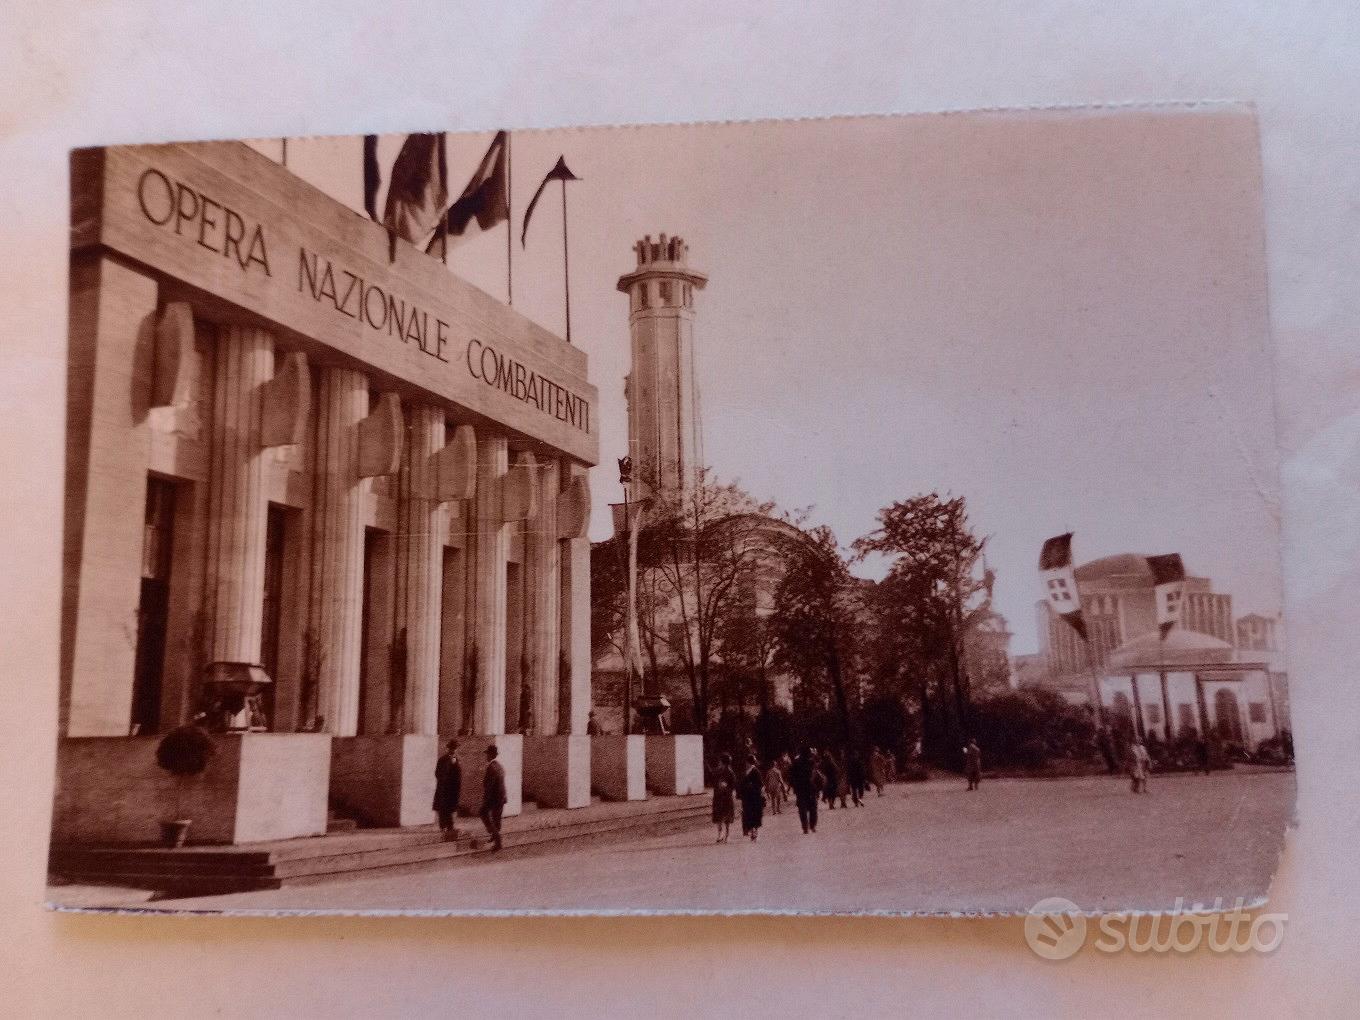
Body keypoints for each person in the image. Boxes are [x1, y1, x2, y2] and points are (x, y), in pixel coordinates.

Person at [432, 739, 462, 841]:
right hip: (444, 788)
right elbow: (437, 773)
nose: (453, 750)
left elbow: (458, 775)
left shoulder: (457, 760)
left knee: (450, 808)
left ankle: (450, 826)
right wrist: (444, 780)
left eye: (455, 748)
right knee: (443, 808)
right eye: (452, 748)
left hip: (453, 789)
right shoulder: (442, 760)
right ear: (448, 748)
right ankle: (443, 826)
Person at [480, 743, 508, 850]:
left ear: (491, 755)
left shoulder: (491, 767)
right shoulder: (499, 766)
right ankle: (494, 836)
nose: (486, 756)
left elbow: (489, 786)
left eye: (487, 754)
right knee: (496, 819)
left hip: (494, 798)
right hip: (501, 797)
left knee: (482, 813)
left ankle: (497, 840)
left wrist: (486, 800)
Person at [789, 746, 823, 834]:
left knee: (802, 808)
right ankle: (812, 826)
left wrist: (794, 787)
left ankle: (805, 827)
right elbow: (816, 774)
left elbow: (791, 776)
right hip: (811, 788)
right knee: (813, 808)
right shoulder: (811, 762)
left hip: (800, 789)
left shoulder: (796, 762)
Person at [738, 754, 766, 841]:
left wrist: (750, 786)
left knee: (754, 814)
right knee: (748, 814)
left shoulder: (755, 771)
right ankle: (751, 831)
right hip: (747, 797)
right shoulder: (746, 771)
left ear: (748, 762)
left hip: (754, 797)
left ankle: (754, 831)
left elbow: (760, 784)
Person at [711, 752, 737, 843]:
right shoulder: (718, 772)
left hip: (726, 796)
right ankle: (720, 834)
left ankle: (727, 835)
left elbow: (733, 785)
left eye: (720, 761)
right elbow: (714, 783)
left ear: (723, 762)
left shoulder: (730, 773)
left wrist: (726, 786)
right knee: (719, 816)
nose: (719, 763)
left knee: (727, 817)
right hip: (719, 796)